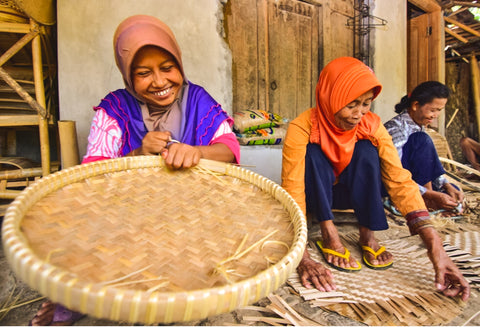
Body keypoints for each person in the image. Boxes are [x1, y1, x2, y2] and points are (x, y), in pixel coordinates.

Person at [30, 15, 240, 326]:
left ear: (179, 65)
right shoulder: (114, 108)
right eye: (143, 73)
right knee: (81, 223)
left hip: (188, 211)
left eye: (167, 68)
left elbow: (229, 148)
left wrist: (196, 152)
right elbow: (93, 176)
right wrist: (138, 153)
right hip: (129, 213)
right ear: (128, 75)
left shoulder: (198, 99)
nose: (159, 81)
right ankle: (75, 295)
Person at [281, 57, 470, 302]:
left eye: (366, 104)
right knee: (313, 154)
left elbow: (398, 178)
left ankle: (367, 233)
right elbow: (293, 187)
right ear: (330, 96)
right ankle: (329, 232)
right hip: (319, 195)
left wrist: (435, 245)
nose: (358, 114)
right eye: (351, 105)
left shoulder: (372, 125)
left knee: (368, 151)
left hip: (355, 192)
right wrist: (302, 256)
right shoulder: (303, 126)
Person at [384, 81, 464, 215]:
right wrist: (428, 193)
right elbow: (393, 173)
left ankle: (431, 196)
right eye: (433, 110)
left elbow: (426, 164)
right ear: (415, 105)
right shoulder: (397, 129)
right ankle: (425, 201)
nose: (435, 115)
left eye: (439, 111)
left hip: (416, 183)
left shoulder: (417, 125)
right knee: (421, 139)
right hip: (398, 184)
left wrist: (446, 184)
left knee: (454, 191)